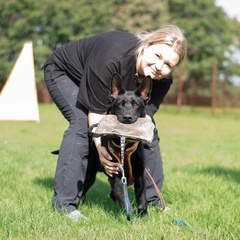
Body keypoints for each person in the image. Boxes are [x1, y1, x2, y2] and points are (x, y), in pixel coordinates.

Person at [43, 25, 187, 221]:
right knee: (80, 124)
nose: (160, 67)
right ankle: (64, 205)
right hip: (66, 73)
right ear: (146, 45)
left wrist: (136, 138)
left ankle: (153, 200)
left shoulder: (162, 80)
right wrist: (100, 147)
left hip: (99, 80)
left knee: (149, 130)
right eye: (158, 55)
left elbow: (144, 118)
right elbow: (97, 113)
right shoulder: (112, 56)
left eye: (169, 64)